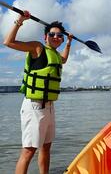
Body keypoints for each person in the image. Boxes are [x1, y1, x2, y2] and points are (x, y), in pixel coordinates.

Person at [3, 10, 73, 174]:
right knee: (28, 151)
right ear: (45, 37)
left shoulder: (55, 55)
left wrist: (69, 43)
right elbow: (8, 42)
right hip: (34, 107)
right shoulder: (37, 47)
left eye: (60, 35)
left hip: (49, 108)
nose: (56, 37)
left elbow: (64, 59)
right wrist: (20, 20)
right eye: (52, 34)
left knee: (46, 147)